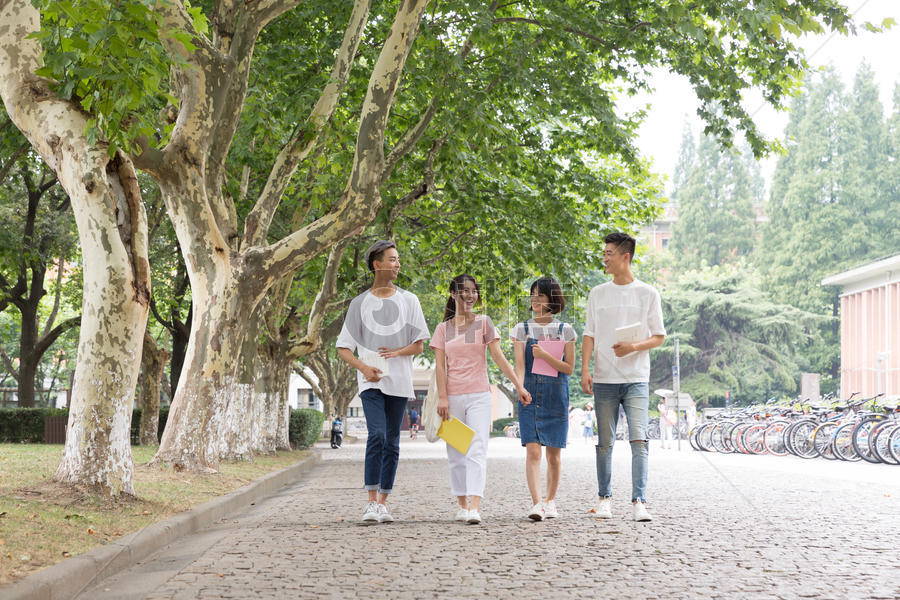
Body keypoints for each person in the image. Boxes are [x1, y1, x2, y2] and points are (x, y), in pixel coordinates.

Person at [336, 240, 430, 524]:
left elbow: (419, 346)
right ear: (376, 264)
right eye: (391, 259)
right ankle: (370, 502)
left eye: (398, 259)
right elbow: (343, 348)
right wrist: (364, 368)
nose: (397, 263)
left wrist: (396, 352)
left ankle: (383, 502)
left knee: (392, 442)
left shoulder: (410, 300)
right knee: (376, 435)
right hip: (370, 382)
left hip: (399, 381)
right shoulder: (359, 304)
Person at [431, 274, 530, 525]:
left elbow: (498, 357)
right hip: (452, 398)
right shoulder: (443, 329)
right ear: (453, 294)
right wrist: (442, 398)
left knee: (476, 449)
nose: (470, 295)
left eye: (473, 291)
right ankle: (462, 505)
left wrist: (519, 386)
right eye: (464, 291)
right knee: (456, 453)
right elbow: (440, 367)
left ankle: (475, 506)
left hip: (479, 396)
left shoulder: (484, 323)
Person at [581, 232, 665, 522]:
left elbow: (659, 337)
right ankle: (604, 498)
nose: (604, 258)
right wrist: (584, 370)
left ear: (625, 256)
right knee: (604, 443)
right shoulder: (597, 293)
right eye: (604, 252)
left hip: (637, 378)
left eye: (609, 253)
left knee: (639, 440)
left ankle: (639, 501)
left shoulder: (648, 293)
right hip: (604, 379)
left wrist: (633, 347)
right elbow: (589, 334)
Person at [511, 277, 576, 521]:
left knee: (554, 455)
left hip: (556, 395)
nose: (535, 300)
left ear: (552, 299)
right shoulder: (521, 329)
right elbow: (519, 365)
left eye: (541, 295)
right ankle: (537, 503)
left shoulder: (565, 330)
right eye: (533, 295)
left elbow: (569, 368)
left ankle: (551, 501)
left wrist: (545, 356)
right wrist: (519, 387)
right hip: (529, 394)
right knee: (533, 452)